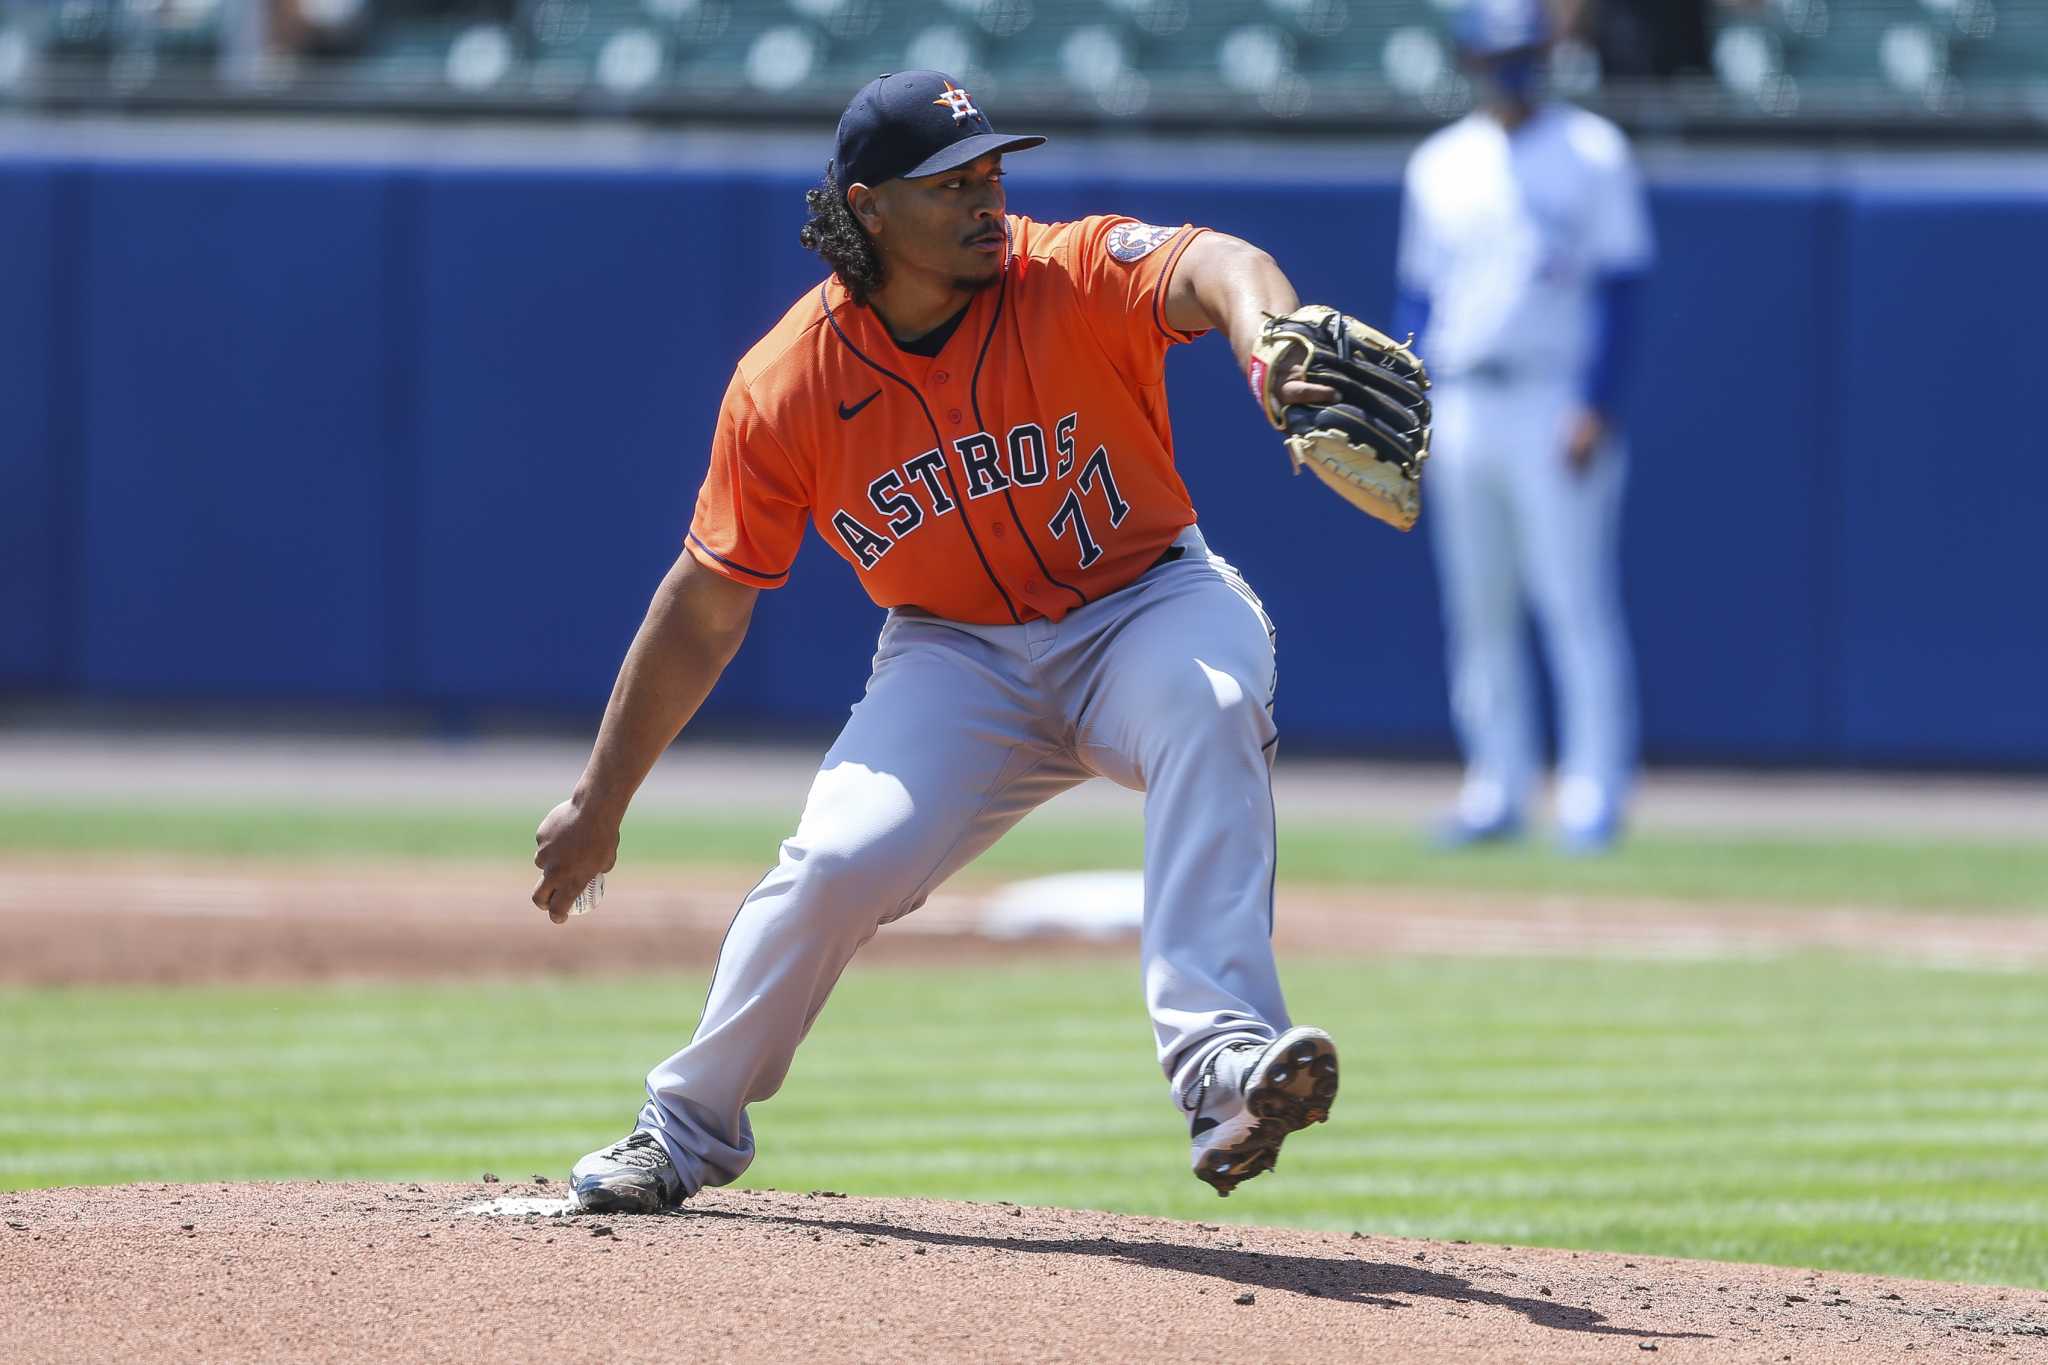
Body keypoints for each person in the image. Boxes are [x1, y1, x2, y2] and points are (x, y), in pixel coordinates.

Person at [531, 70, 1360, 1213]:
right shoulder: (785, 387)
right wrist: (601, 800)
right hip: (955, 657)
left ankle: (1223, 1069)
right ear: (866, 207)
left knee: (1210, 703)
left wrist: (1269, 342)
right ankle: (679, 1130)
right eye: (949, 183)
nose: (986, 198)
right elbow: (707, 605)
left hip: (1146, 605)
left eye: (991, 173)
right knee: (832, 863)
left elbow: (1217, 264)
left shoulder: (1061, 269)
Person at [1396, 0, 1654, 854]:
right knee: (1479, 606)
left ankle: (1592, 791)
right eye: (1500, 54)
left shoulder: (1592, 150)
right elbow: (1419, 298)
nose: (1515, 68)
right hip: (1463, 398)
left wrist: (1598, 402)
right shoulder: (1439, 163)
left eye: (1527, 52)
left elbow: (1622, 287)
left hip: (1554, 400)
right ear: (1471, 60)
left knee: (1573, 601)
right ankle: (1495, 783)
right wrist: (1410, 401)